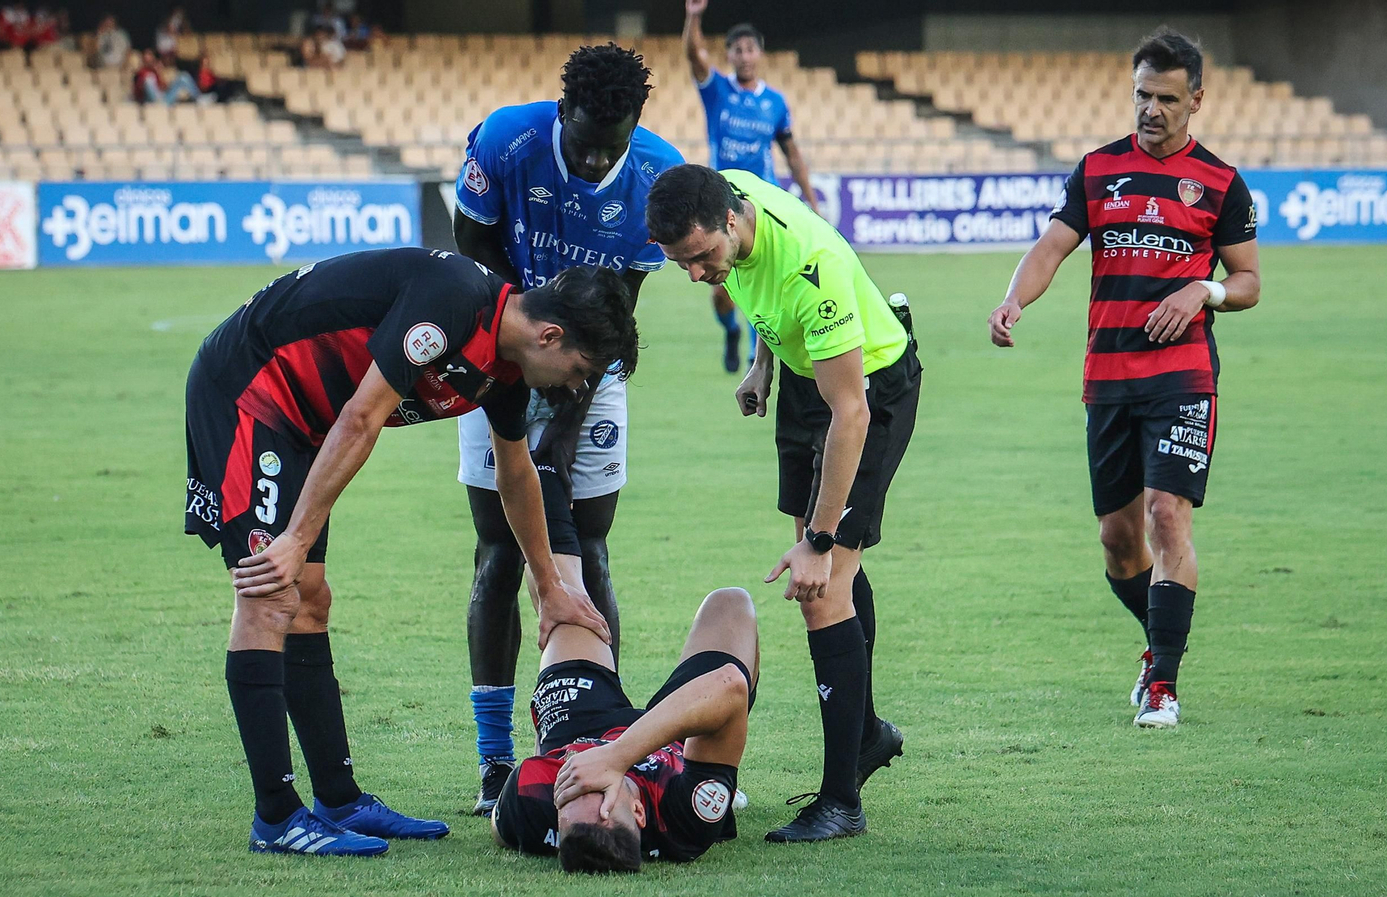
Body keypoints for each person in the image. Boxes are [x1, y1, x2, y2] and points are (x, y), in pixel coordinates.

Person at [183, 248, 636, 856]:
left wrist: (551, 587)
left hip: (304, 422)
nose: (577, 386)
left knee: (311, 601)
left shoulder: (505, 366)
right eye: (581, 369)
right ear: (550, 336)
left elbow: (515, 474)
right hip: (248, 391)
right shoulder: (453, 300)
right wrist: (294, 539)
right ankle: (276, 818)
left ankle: (339, 799)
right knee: (270, 596)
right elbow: (360, 418)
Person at [987, 28, 1261, 729]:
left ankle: (1164, 682)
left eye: (1166, 98)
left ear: (1196, 100)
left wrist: (1203, 290)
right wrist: (1015, 299)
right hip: (1108, 378)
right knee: (1117, 539)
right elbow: (1051, 247)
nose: (1151, 109)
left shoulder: (1222, 183)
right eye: (1142, 95)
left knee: (1167, 516)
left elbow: (1248, 281)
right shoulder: (1097, 170)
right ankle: (1160, 640)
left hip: (1183, 377)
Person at [646, 165, 917, 842]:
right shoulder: (727, 192)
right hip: (803, 378)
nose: (697, 274)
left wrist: (819, 540)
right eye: (681, 264)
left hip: (867, 390)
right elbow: (761, 294)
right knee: (833, 585)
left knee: (822, 585)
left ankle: (841, 803)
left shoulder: (810, 269)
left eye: (701, 256)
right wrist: (762, 364)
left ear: (729, 220)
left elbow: (852, 413)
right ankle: (865, 733)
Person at [451, 42, 683, 818]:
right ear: (562, 112)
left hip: (595, 362)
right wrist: (517, 361)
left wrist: (566, 413)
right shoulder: (505, 141)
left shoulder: (655, 177)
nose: (593, 160)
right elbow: (472, 248)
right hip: (503, 347)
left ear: (634, 127)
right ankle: (494, 759)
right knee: (499, 548)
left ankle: (606, 734)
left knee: (592, 546)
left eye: (610, 147)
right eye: (583, 142)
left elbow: (617, 317)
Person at [492, 564, 757, 872]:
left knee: (560, 590)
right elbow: (730, 685)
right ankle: (718, 771)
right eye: (595, 786)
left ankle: (564, 533)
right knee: (730, 603)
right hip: (678, 738)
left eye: (569, 788)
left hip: (580, 730)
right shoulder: (684, 819)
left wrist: (551, 745)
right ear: (638, 811)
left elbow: (501, 827)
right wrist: (616, 757)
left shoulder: (530, 804)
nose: (583, 775)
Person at [682, 0, 820, 373]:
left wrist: (811, 202)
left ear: (760, 54)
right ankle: (731, 330)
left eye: (750, 49)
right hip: (721, 198)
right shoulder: (717, 91)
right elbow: (694, 56)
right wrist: (693, 17)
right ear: (729, 54)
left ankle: (755, 356)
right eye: (737, 50)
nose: (744, 56)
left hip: (763, 201)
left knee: (766, 278)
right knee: (721, 289)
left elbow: (792, 153)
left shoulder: (775, 103)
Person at [133, 49, 201, 105]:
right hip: (152, 101)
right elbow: (139, 90)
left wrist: (159, 72)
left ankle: (199, 98)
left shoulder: (155, 72)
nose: (149, 60)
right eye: (146, 58)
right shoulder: (141, 72)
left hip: (163, 99)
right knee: (149, 78)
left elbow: (163, 87)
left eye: (150, 57)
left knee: (183, 76)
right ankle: (158, 103)